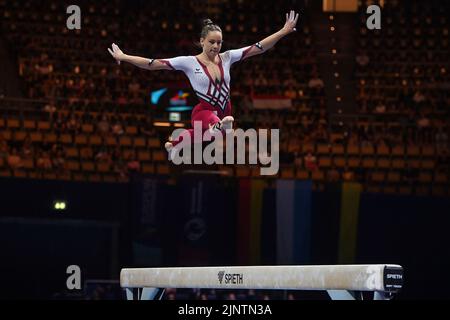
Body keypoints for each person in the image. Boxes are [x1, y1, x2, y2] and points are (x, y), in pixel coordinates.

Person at [108, 10, 299, 158]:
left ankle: (173, 145)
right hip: (203, 112)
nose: (216, 46)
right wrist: (123, 56)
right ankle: (216, 127)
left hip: (225, 111)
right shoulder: (189, 62)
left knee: (208, 135)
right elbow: (152, 64)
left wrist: (283, 31)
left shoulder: (227, 58)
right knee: (219, 128)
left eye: (219, 42)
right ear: (201, 41)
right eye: (211, 42)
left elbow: (259, 47)